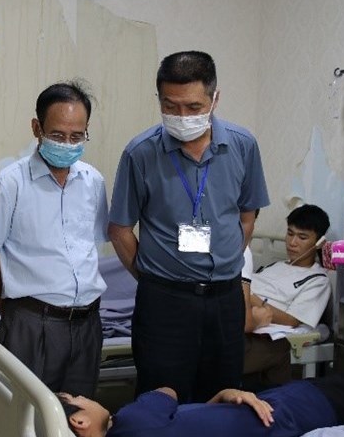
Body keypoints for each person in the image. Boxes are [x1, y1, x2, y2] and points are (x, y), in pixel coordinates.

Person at [108, 51, 270, 403]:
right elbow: (119, 229)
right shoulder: (141, 153)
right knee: (160, 402)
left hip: (226, 299)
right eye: (171, 106)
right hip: (164, 301)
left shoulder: (243, 146)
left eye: (194, 108)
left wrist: (225, 260)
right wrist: (155, 276)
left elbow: (247, 216)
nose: (182, 117)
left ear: (215, 99)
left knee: (224, 398)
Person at [0, 81, 109, 398]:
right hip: (32, 322)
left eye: (77, 136)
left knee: (79, 419)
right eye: (58, 135)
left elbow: (93, 243)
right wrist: (13, 309)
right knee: (27, 419)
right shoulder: (8, 184)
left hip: (87, 323)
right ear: (37, 128)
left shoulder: (93, 182)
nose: (67, 143)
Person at [59, 372, 344, 437]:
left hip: (269, 408)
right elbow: (167, 391)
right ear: (79, 423)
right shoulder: (132, 422)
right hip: (290, 411)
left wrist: (225, 395)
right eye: (77, 399)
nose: (85, 397)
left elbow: (191, 421)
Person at [242, 204, 331, 388]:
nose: (292, 242)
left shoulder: (317, 280)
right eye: (290, 234)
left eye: (302, 237)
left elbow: (292, 320)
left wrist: (250, 297)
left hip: (255, 325)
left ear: (319, 242)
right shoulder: (272, 266)